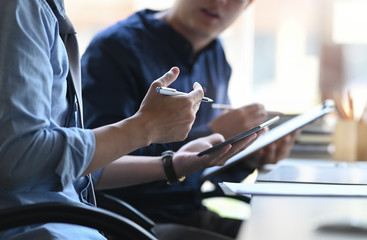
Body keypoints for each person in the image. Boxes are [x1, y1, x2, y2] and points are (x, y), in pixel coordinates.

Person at [0, 0, 260, 239]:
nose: (220, 1)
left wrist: (177, 165)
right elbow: (26, 158)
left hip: (90, 221)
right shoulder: (26, 11)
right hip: (111, 220)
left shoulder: (217, 57)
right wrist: (149, 128)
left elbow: (79, 164)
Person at [81, 0, 299, 238]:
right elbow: (93, 163)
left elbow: (204, 172)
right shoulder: (115, 49)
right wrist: (211, 131)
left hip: (189, 213)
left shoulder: (215, 55)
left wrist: (248, 156)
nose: (219, 1)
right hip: (130, 221)